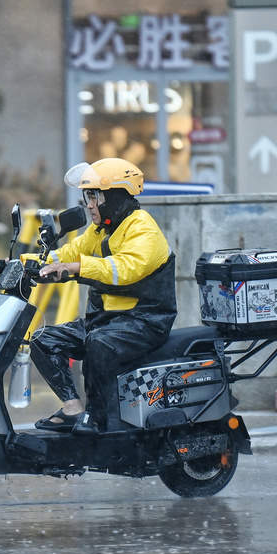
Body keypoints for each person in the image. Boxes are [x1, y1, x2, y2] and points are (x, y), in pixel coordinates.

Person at [28, 158, 177, 435]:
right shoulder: (100, 231)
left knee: (99, 344)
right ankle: (73, 409)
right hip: (108, 320)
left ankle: (98, 419)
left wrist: (75, 268)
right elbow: (69, 253)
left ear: (116, 196)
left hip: (144, 321)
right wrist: (26, 263)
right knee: (42, 340)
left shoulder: (142, 228)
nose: (89, 204)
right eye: (88, 196)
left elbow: (124, 268)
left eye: (95, 196)